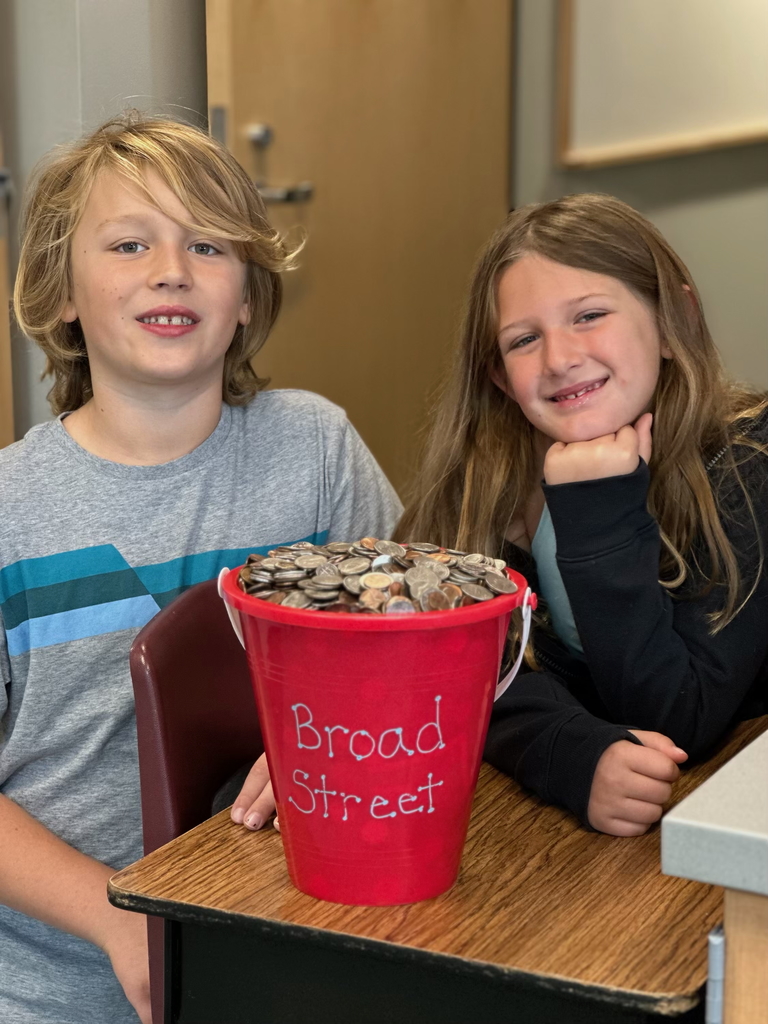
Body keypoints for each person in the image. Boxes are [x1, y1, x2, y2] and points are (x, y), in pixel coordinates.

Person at [0, 114, 401, 1024]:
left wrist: (323, 733)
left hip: (287, 947)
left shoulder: (317, 451)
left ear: (249, 295)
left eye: (207, 244)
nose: (170, 268)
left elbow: (405, 661)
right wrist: (116, 921)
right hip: (55, 987)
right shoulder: (9, 512)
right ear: (63, 291)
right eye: (130, 242)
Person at [396, 193, 768, 838]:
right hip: (576, 846)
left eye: (589, 315)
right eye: (524, 339)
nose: (559, 358)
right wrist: (563, 746)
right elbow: (442, 664)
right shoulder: (477, 493)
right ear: (498, 377)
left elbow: (677, 715)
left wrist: (598, 511)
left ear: (675, 318)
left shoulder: (748, 464)